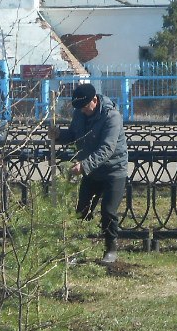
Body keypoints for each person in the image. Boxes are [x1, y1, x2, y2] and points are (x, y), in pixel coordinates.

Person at [52, 82, 128, 264]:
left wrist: (84, 166)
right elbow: (73, 134)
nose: (83, 111)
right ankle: (77, 251)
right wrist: (58, 135)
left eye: (85, 107)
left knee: (108, 211)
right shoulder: (79, 113)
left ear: (94, 100)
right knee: (82, 211)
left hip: (113, 170)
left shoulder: (112, 117)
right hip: (92, 171)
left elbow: (107, 148)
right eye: (79, 108)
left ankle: (111, 250)